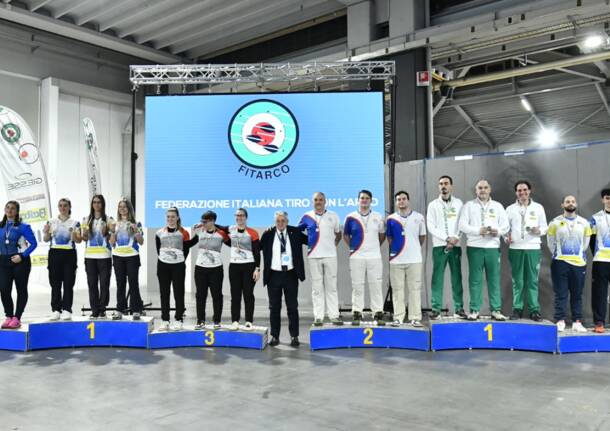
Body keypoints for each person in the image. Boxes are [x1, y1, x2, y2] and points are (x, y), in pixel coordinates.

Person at [459, 180, 509, 321]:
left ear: (490, 189)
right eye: (480, 188)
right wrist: (477, 230)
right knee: (475, 280)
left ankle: (496, 310)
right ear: (476, 190)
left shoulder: (497, 206)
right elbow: (462, 225)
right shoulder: (469, 206)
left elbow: (505, 226)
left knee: (493, 279)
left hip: (492, 247)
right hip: (475, 247)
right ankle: (474, 310)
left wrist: (497, 231)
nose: (483, 190)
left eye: (485, 187)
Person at [260, 211, 308, 347]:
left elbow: (311, 241)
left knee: (292, 307)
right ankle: (275, 336)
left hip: (291, 275)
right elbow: (256, 248)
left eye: (283, 221)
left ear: (287, 221)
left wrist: (314, 228)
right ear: (274, 222)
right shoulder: (268, 234)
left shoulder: (295, 232)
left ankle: (294, 336)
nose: (280, 223)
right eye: (278, 221)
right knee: (274, 308)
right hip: (273, 276)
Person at [547, 195, 591, 332]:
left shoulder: (584, 223)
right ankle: (560, 320)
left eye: (572, 201)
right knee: (561, 293)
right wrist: (560, 255)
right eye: (567, 201)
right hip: (560, 262)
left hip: (578, 263)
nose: (570, 203)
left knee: (577, 294)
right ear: (562, 205)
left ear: (576, 204)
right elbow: (550, 243)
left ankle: (577, 321)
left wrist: (576, 256)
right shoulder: (554, 222)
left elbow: (585, 244)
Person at [298, 192, 342, 326]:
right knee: (317, 288)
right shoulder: (306, 216)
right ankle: (319, 316)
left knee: (332, 287)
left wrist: (331, 246)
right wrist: (310, 243)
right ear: (312, 202)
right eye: (316, 200)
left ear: (325, 201)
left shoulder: (333, 216)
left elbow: (338, 234)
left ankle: (334, 315)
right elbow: (297, 231)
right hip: (313, 256)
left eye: (321, 200)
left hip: (330, 256)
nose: (318, 202)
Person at [505, 180, 548, 321]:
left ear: (529, 191)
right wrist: (506, 237)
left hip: (533, 248)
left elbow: (545, 227)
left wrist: (539, 230)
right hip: (516, 248)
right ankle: (517, 309)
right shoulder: (510, 209)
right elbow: (505, 228)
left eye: (524, 190)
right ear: (516, 193)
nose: (522, 193)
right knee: (518, 281)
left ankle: (534, 310)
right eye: (519, 190)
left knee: (532, 281)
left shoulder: (538, 207)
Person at [344, 190, 386, 325]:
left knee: (376, 284)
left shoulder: (378, 216)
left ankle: (378, 312)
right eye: (362, 198)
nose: (364, 200)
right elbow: (346, 235)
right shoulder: (350, 217)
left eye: (367, 198)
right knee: (357, 285)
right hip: (357, 257)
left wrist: (374, 247)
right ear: (358, 200)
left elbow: (382, 235)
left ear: (371, 200)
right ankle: (357, 312)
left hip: (374, 256)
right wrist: (354, 248)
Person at [426, 175, 465, 319]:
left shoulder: (459, 203)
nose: (443, 186)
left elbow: (462, 222)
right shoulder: (433, 205)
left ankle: (459, 308)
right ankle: (436, 309)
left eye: (446, 183)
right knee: (437, 278)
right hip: (439, 245)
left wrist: (455, 238)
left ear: (451, 186)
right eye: (441, 184)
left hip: (455, 245)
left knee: (457, 277)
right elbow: (431, 226)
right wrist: (447, 238)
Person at [386, 191, 426, 326]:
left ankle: (415, 317)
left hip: (414, 259)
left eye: (403, 199)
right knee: (397, 290)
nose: (401, 201)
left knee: (414, 289)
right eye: (398, 200)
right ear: (396, 202)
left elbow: (422, 237)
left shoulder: (419, 217)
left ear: (408, 201)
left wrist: (412, 248)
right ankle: (398, 317)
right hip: (396, 260)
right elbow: (389, 238)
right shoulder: (391, 219)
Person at [155, 207, 198, 331]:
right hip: (163, 265)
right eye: (168, 216)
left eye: (173, 216)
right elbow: (159, 250)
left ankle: (178, 319)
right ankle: (165, 320)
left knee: (179, 293)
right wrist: (167, 258)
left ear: (177, 217)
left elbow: (187, 249)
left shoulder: (184, 233)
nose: (170, 219)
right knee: (164, 293)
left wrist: (178, 260)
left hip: (178, 266)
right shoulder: (159, 233)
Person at [0, 201, 37, 329]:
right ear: (5, 210)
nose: (10, 210)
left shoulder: (23, 226)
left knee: (21, 290)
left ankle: (17, 317)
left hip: (20, 261)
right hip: (3, 261)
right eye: (8, 207)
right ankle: (9, 316)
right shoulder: (1, 226)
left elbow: (33, 244)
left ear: (17, 211)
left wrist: (22, 256)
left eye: (13, 208)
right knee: (4, 289)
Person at [43, 198, 81, 321]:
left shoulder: (75, 222)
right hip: (54, 253)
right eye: (60, 205)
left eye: (65, 205)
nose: (63, 208)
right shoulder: (51, 221)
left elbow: (79, 240)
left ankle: (67, 309)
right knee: (55, 283)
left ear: (70, 207)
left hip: (69, 254)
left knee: (68, 283)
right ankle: (56, 310)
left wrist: (73, 234)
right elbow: (46, 239)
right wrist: (46, 232)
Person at [192, 211, 228, 330]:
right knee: (200, 295)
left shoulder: (222, 234)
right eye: (202, 221)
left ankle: (216, 320)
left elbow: (233, 244)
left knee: (217, 296)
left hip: (216, 269)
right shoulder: (199, 231)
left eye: (205, 221)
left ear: (212, 221)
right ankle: (200, 320)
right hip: (200, 268)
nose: (203, 224)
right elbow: (191, 243)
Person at [109, 198, 144, 320]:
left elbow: (141, 242)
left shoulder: (136, 223)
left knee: (133, 283)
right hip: (118, 256)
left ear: (129, 208)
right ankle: (120, 309)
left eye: (124, 206)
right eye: (120, 207)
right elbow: (112, 243)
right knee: (120, 284)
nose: (122, 209)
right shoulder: (115, 224)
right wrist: (112, 232)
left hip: (132, 257)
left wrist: (136, 232)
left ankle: (136, 310)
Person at [225, 208, 260, 331]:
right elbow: (217, 227)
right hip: (234, 266)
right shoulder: (230, 229)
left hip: (249, 266)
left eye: (242, 215)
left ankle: (249, 321)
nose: (239, 217)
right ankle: (235, 321)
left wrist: (257, 268)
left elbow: (257, 252)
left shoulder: (253, 232)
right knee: (235, 295)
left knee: (248, 295)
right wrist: (203, 223)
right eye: (237, 215)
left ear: (246, 217)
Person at [81, 194, 113, 319]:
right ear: (92, 204)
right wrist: (85, 234)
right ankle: (94, 310)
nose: (96, 204)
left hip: (104, 256)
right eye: (94, 202)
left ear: (103, 204)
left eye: (99, 202)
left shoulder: (109, 219)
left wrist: (107, 233)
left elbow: (111, 239)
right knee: (92, 283)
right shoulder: (86, 219)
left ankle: (102, 308)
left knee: (104, 283)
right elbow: (84, 238)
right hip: (90, 256)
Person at [590, 189, 610, 333]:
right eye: (608, 198)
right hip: (601, 260)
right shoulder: (595, 218)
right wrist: (597, 254)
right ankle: (599, 322)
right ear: (603, 200)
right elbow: (591, 241)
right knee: (600, 293)